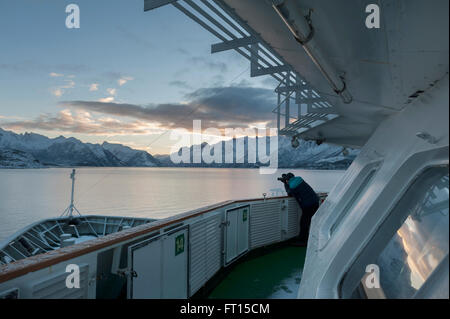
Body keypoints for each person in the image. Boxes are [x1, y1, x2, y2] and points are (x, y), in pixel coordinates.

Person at [281, 173, 320, 245]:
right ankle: (303, 237)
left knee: (304, 222)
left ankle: (303, 241)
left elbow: (289, 193)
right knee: (307, 221)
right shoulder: (300, 180)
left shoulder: (292, 186)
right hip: (315, 202)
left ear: (288, 180)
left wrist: (285, 184)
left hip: (308, 205)